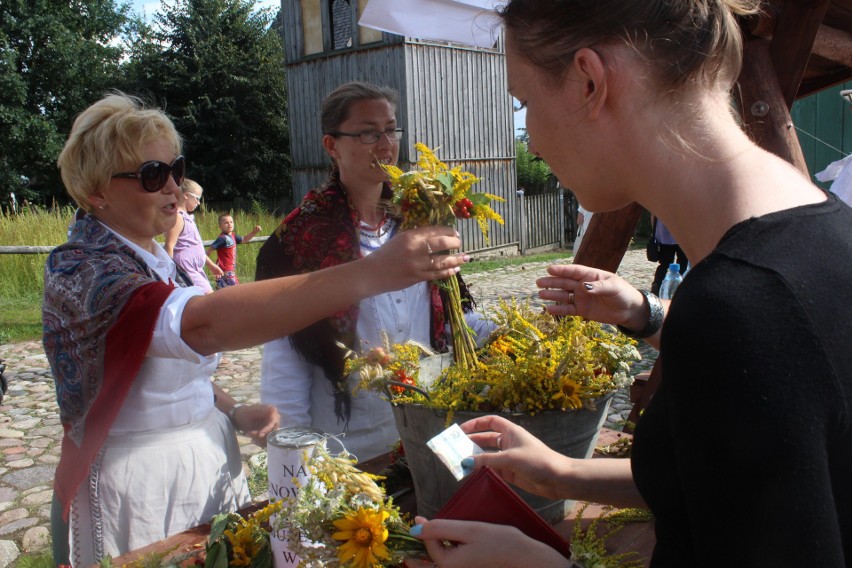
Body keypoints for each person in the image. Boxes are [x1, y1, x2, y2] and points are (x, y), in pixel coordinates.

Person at [409, 1, 852, 566]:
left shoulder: (739, 309)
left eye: (525, 105)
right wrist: (565, 472)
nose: (534, 141)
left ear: (589, 81)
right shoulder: (820, 233)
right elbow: (737, 485)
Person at [45, 92, 467, 566]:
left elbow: (170, 368)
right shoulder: (83, 271)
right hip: (139, 482)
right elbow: (203, 326)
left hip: (207, 461)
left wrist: (232, 408)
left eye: (175, 169)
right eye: (151, 175)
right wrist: (372, 273)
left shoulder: (156, 260)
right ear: (96, 192)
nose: (172, 188)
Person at [256, 81, 491, 461]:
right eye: (368, 132)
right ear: (331, 145)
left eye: (390, 129)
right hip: (348, 445)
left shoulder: (418, 220)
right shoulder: (303, 237)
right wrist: (297, 463)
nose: (385, 144)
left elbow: (450, 319)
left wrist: (510, 333)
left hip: (430, 423)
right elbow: (286, 358)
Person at [163, 179, 223, 293]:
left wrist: (211, 265)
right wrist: (170, 274)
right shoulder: (178, 218)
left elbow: (194, 246)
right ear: (186, 195)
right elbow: (169, 246)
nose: (199, 203)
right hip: (186, 270)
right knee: (210, 302)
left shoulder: (188, 218)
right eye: (197, 198)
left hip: (196, 270)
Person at [206, 213, 261, 288]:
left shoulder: (233, 236)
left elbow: (244, 239)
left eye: (231, 222)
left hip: (230, 270)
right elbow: (208, 251)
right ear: (220, 226)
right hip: (225, 271)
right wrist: (212, 265)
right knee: (236, 291)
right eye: (226, 223)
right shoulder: (222, 238)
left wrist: (254, 232)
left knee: (226, 292)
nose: (229, 224)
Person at [649, 215, 688, 294]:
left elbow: (653, 215)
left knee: (664, 263)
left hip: (664, 235)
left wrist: (655, 231)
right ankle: (676, 285)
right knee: (683, 262)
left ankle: (657, 284)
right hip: (682, 234)